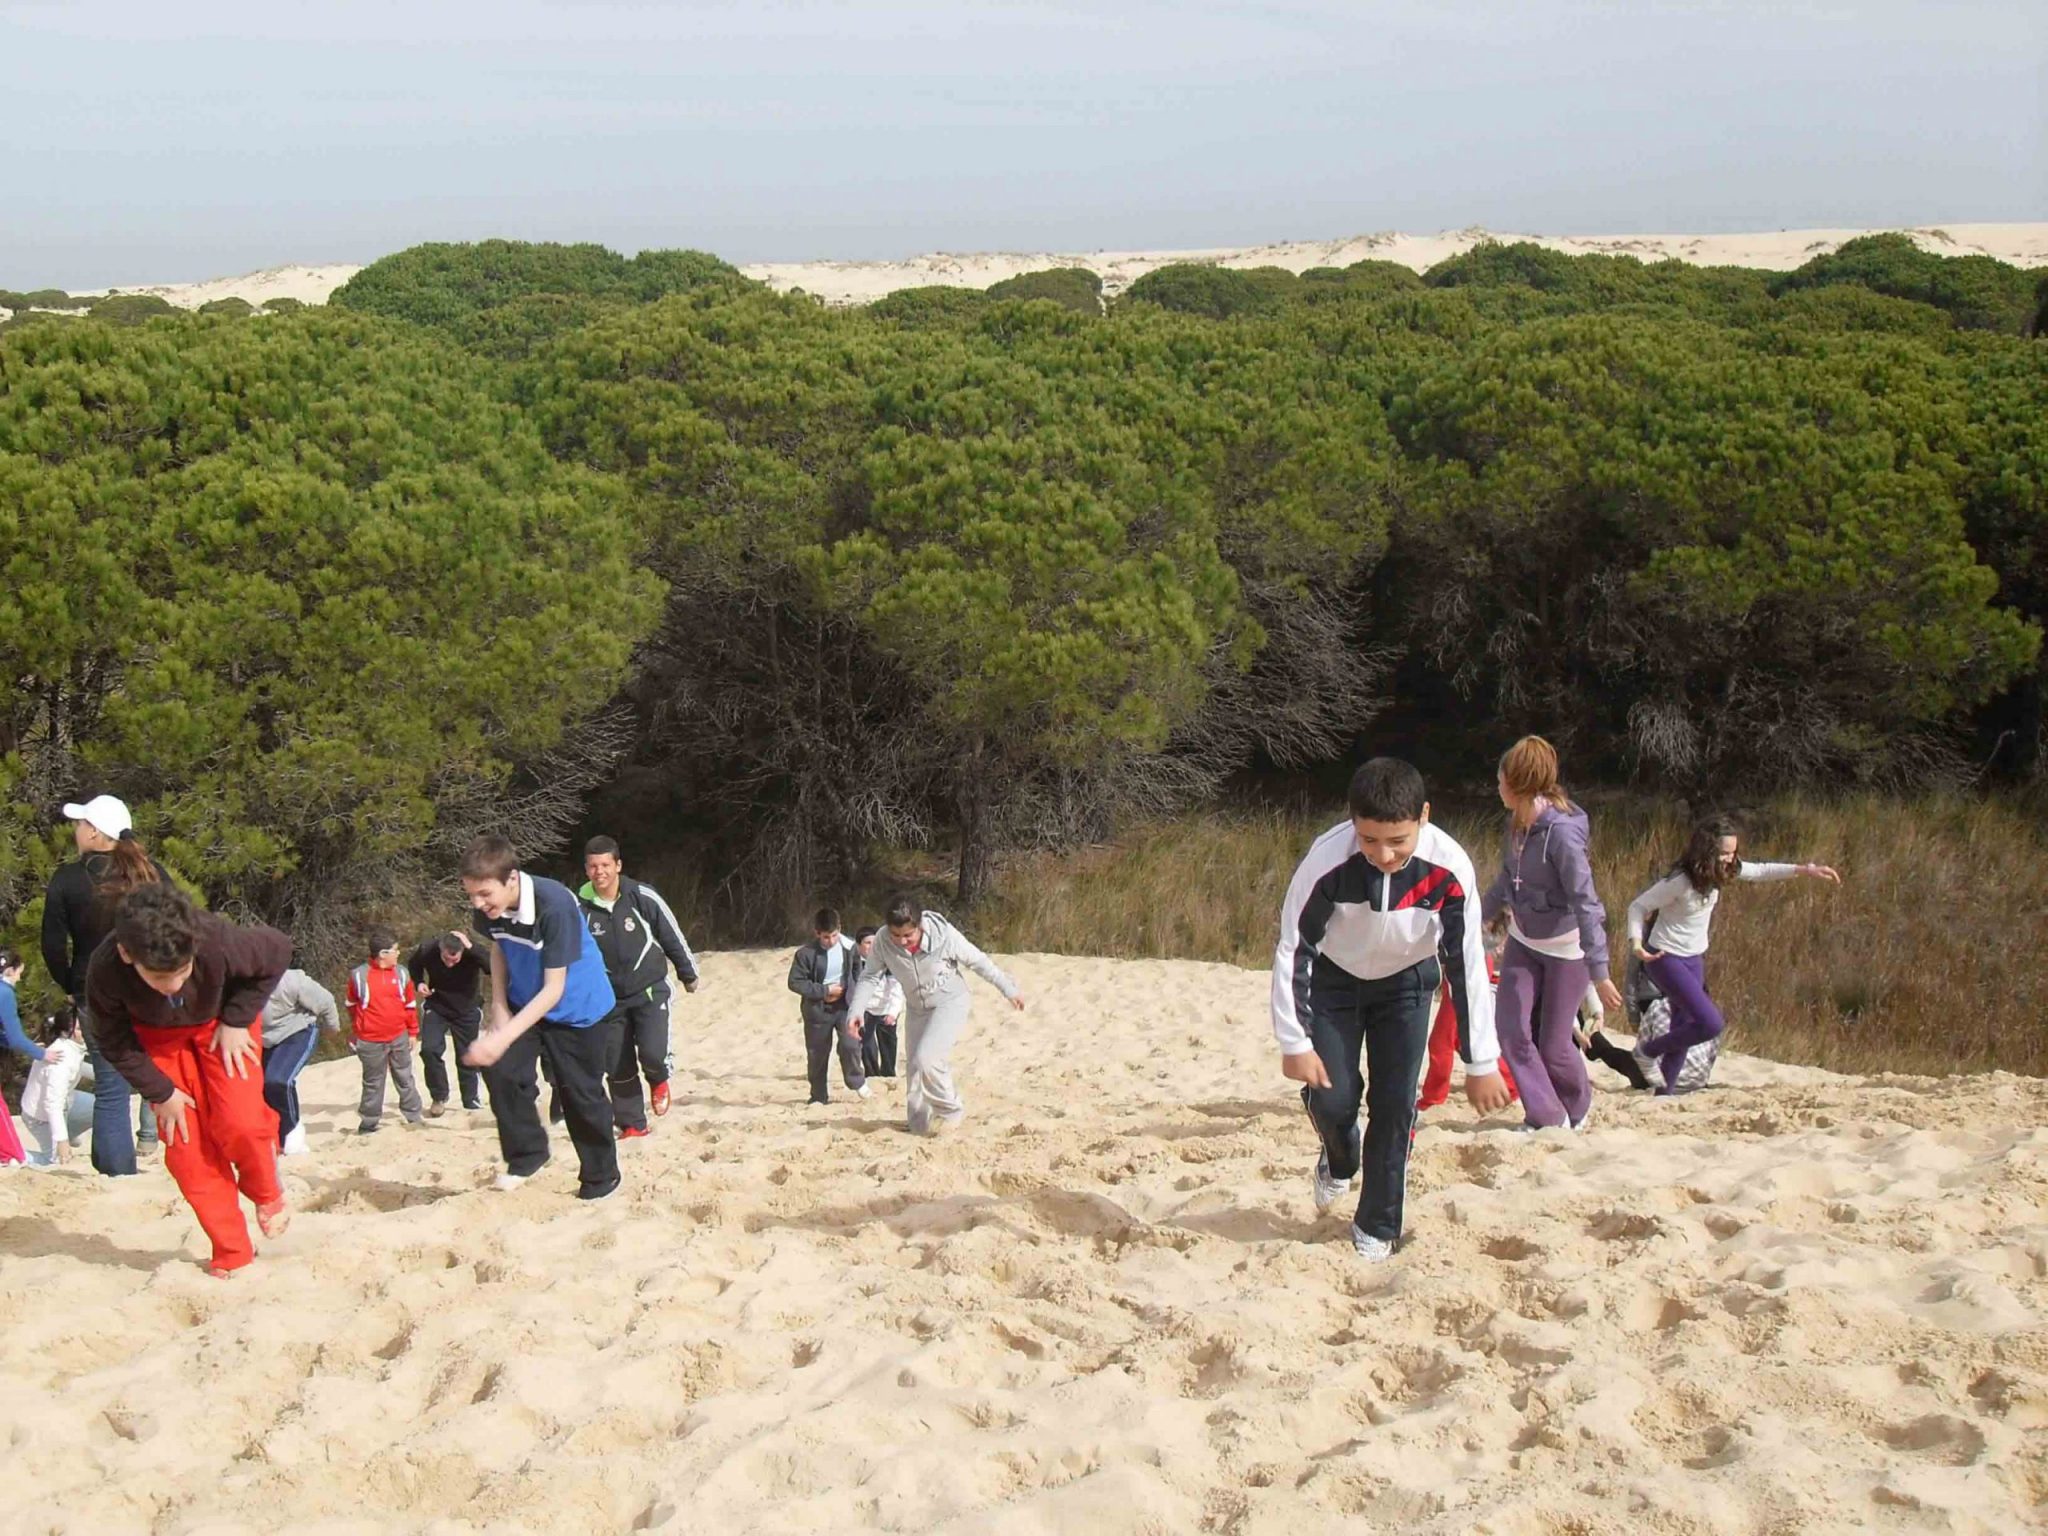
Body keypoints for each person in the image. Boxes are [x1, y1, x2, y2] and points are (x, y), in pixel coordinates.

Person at [1273, 758, 1511, 1263]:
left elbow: (1467, 962)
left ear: (1424, 816)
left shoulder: (1449, 867)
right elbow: (1294, 946)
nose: (1383, 854)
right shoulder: (1327, 861)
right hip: (1335, 983)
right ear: (1353, 823)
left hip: (1406, 984)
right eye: (1369, 840)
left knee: (1396, 1105)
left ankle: (1377, 1224)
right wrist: (1293, 1040)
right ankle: (1339, 1158)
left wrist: (1481, 1061)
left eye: (1398, 841)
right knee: (1332, 1098)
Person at [84, 884, 292, 1276]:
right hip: (158, 1043)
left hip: (222, 1027)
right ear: (127, 954)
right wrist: (160, 1092)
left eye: (183, 971)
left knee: (241, 1121)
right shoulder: (106, 968)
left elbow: (278, 950)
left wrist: (237, 1019)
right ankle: (232, 1251)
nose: (174, 986)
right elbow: (111, 1039)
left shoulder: (215, 937)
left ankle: (267, 1191)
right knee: (187, 1152)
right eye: (159, 977)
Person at [1625, 816, 1842, 1093]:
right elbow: (1638, 906)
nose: (1731, 858)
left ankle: (1663, 1093)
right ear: (1707, 851)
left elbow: (1760, 871)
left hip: (1694, 958)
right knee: (1710, 1023)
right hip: (1664, 957)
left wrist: (1805, 870)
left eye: (1733, 852)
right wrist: (1636, 943)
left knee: (1684, 1024)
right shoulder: (1680, 881)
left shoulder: (1720, 872)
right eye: (1725, 853)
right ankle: (1647, 1051)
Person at [458, 835, 620, 1199]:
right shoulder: (489, 908)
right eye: (471, 895)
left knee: (580, 1094)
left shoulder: (555, 904)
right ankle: (528, 1155)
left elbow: (554, 989)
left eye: (484, 894)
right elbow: (499, 947)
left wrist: (502, 1036)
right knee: (499, 1068)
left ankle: (601, 1177)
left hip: (578, 1008)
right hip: (524, 998)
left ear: (512, 879)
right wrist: (499, 1006)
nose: (477, 903)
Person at [1482, 737, 1624, 1132]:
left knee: (1555, 1044)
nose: (1497, 785)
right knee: (1511, 1029)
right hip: (1524, 941)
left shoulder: (1561, 835)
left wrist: (1599, 972)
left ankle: (1577, 1108)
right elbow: (1507, 880)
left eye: (1500, 779)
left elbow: (1586, 902)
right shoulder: (1516, 825)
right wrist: (1474, 916)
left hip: (1566, 949)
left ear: (1517, 783)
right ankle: (1547, 1116)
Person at [39, 795, 169, 1174]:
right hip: (147, 991)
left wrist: (69, 983)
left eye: (81, 824)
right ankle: (139, 1152)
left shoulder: (68, 878)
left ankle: (117, 1172)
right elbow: (179, 927)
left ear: (95, 832)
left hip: (93, 991)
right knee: (151, 1074)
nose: (76, 830)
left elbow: (52, 945)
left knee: (112, 1089)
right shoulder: (152, 873)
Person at [845, 896, 1024, 1136]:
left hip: (949, 1001)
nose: (902, 941)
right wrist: (856, 1010)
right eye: (896, 935)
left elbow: (978, 961)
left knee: (927, 1059)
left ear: (920, 925)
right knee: (914, 1069)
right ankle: (919, 1125)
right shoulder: (882, 941)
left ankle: (950, 1112)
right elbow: (869, 976)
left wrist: (1008, 989)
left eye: (908, 935)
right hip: (917, 1008)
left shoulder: (943, 935)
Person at [577, 836, 700, 1136]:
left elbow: (670, 933)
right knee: (617, 1063)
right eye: (593, 866)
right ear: (586, 869)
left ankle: (658, 1079)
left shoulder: (641, 896)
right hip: (608, 998)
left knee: (652, 1053)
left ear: (618, 865)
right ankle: (632, 1124)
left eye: (605, 865)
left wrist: (688, 972)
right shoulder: (579, 908)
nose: (599, 872)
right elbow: (571, 952)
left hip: (649, 988)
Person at [1415, 940, 1518, 1113]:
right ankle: (1510, 1082)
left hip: (1465, 962)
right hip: (1464, 961)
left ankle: (1433, 1098)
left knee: (1442, 1041)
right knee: (1458, 1038)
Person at [345, 929, 424, 1135]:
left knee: (405, 1077)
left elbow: (410, 1004)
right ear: (382, 954)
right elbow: (351, 1005)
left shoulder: (402, 973)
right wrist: (360, 1028)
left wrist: (413, 1032)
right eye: (395, 950)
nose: (398, 953)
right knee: (373, 1082)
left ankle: (414, 1116)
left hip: (399, 1036)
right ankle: (369, 1122)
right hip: (370, 1041)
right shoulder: (358, 976)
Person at [789, 908, 869, 1106]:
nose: (831, 941)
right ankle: (818, 1095)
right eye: (826, 937)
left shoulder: (849, 947)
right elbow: (795, 982)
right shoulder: (805, 954)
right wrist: (824, 990)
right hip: (817, 1010)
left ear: (839, 929)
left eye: (834, 935)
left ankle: (856, 1081)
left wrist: (855, 994)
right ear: (817, 933)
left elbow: (858, 971)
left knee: (851, 1045)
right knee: (817, 1053)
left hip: (844, 1006)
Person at [261, 966, 342, 1154]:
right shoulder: (238, 985)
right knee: (262, 1087)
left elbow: (326, 1000)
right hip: (263, 1039)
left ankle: (293, 1131)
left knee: (279, 1080)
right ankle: (274, 1136)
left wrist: (332, 1028)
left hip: (297, 1031)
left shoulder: (290, 980)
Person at [409, 930, 488, 1116]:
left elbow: (491, 967)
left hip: (467, 1008)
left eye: (455, 959)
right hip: (437, 1005)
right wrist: (419, 982)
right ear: (440, 948)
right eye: (446, 959)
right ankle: (439, 1097)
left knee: (466, 1055)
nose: (450, 963)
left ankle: (470, 1100)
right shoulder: (428, 949)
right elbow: (414, 965)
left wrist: (471, 947)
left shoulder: (472, 952)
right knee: (429, 1050)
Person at [22, 1004, 92, 1167]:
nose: (86, 1031)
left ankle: (68, 1132)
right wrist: (62, 1140)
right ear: (65, 1032)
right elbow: (52, 1104)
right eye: (80, 1029)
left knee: (101, 1107)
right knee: (52, 1160)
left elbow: (78, 1066)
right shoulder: (60, 1059)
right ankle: (14, 1155)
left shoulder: (73, 1046)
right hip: (39, 1116)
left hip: (66, 1100)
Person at [854, 926, 902, 1079]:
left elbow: (897, 989)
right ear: (859, 945)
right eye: (868, 943)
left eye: (875, 943)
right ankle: (872, 1074)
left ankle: (888, 1073)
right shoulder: (854, 964)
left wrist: (893, 1012)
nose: (872, 946)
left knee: (888, 1043)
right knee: (866, 1043)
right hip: (865, 1009)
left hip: (885, 1008)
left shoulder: (889, 962)